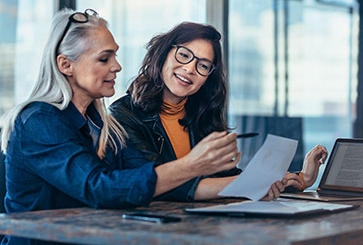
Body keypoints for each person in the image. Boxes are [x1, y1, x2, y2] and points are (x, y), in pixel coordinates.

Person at [0, 9, 246, 245]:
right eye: (104, 58)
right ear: (66, 65)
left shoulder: (101, 124)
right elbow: (100, 188)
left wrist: (252, 186)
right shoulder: (39, 121)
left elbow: (148, 179)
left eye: (115, 56)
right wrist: (192, 165)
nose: (117, 66)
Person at [109, 22, 328, 202]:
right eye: (184, 55)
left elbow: (226, 178)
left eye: (203, 66)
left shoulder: (201, 116)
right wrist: (252, 185)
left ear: (207, 79)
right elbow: (157, 184)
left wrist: (301, 179)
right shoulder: (123, 115)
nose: (190, 69)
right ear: (163, 54)